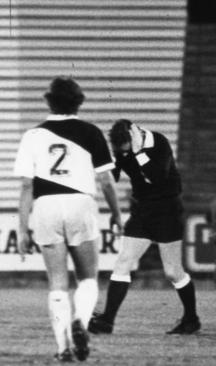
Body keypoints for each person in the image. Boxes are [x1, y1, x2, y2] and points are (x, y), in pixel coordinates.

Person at [14, 77, 123, 362]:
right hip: (81, 204)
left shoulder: (33, 136)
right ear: (79, 101)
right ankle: (81, 321)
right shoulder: (91, 132)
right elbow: (106, 182)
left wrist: (22, 227)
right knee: (88, 279)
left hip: (46, 206)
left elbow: (26, 187)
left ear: (48, 101)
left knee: (57, 283)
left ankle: (63, 348)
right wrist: (116, 214)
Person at [88, 119, 200, 335]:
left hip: (167, 210)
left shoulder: (159, 142)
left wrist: (139, 153)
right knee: (123, 262)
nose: (123, 153)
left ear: (134, 138)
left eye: (126, 149)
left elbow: (157, 177)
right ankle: (107, 321)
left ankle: (191, 318)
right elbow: (114, 175)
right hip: (142, 211)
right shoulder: (121, 148)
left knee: (173, 272)